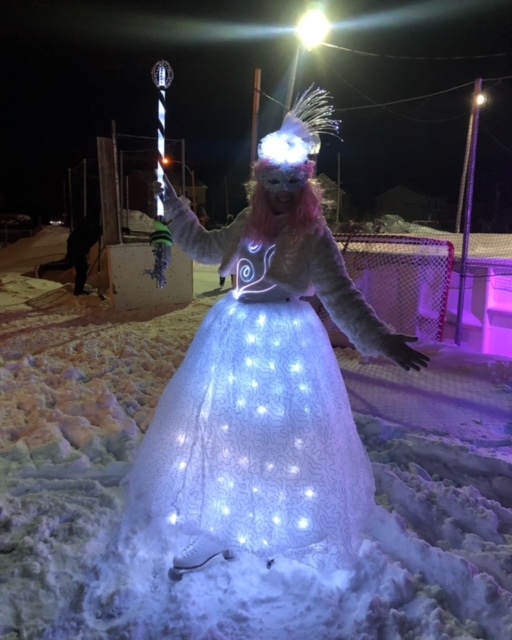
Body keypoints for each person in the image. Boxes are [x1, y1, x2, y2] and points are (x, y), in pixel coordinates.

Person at [122, 87, 429, 576]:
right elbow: (205, 248)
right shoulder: (248, 222)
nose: (283, 190)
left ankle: (272, 525)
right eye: (274, 181)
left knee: (278, 441)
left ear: (305, 182)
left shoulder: (315, 235)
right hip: (234, 336)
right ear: (261, 183)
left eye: (292, 181)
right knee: (224, 432)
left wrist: (380, 338)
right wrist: (173, 206)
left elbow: (341, 295)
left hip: (287, 346)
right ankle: (217, 526)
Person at [37, 217, 102, 296]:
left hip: (75, 243)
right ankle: (78, 291)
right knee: (81, 268)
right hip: (77, 245)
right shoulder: (97, 226)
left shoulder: (96, 223)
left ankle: (45, 267)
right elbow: (88, 239)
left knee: (70, 264)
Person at [219, 214, 235, 287]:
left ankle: (222, 281)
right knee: (232, 267)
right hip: (232, 250)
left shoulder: (225, 228)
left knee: (224, 266)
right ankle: (233, 282)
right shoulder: (234, 228)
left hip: (225, 250)